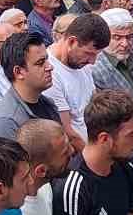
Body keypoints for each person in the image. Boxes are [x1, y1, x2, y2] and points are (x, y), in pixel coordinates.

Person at [44, 13, 109, 148]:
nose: (92, 62)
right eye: (89, 54)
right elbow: (68, 133)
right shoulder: (50, 73)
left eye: (96, 55)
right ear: (72, 41)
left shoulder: (80, 62)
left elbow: (94, 101)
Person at [0, 30, 61, 141]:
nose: (50, 67)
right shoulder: (6, 123)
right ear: (19, 72)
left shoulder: (48, 104)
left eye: (47, 60)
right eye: (40, 63)